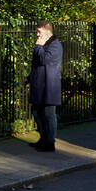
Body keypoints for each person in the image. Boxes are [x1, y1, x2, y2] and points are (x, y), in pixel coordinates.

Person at [26, 22, 62, 152]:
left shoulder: (55, 46)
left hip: (49, 87)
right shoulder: (44, 44)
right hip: (39, 86)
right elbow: (37, 65)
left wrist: (38, 47)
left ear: (48, 32)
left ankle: (50, 142)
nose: (37, 34)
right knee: (37, 113)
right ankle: (43, 139)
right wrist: (29, 78)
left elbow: (44, 60)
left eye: (39, 32)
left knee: (48, 115)